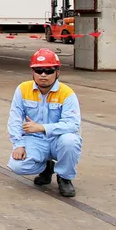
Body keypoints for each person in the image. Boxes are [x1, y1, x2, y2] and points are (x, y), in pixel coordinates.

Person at [7, 48, 82, 197]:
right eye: (39, 70)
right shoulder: (22, 89)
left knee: (70, 141)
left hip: (58, 140)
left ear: (57, 72)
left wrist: (42, 128)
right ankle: (46, 168)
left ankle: (64, 177)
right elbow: (14, 119)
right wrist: (18, 144)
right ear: (33, 72)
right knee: (16, 166)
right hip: (35, 140)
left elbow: (72, 124)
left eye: (48, 71)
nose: (43, 75)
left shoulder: (67, 93)